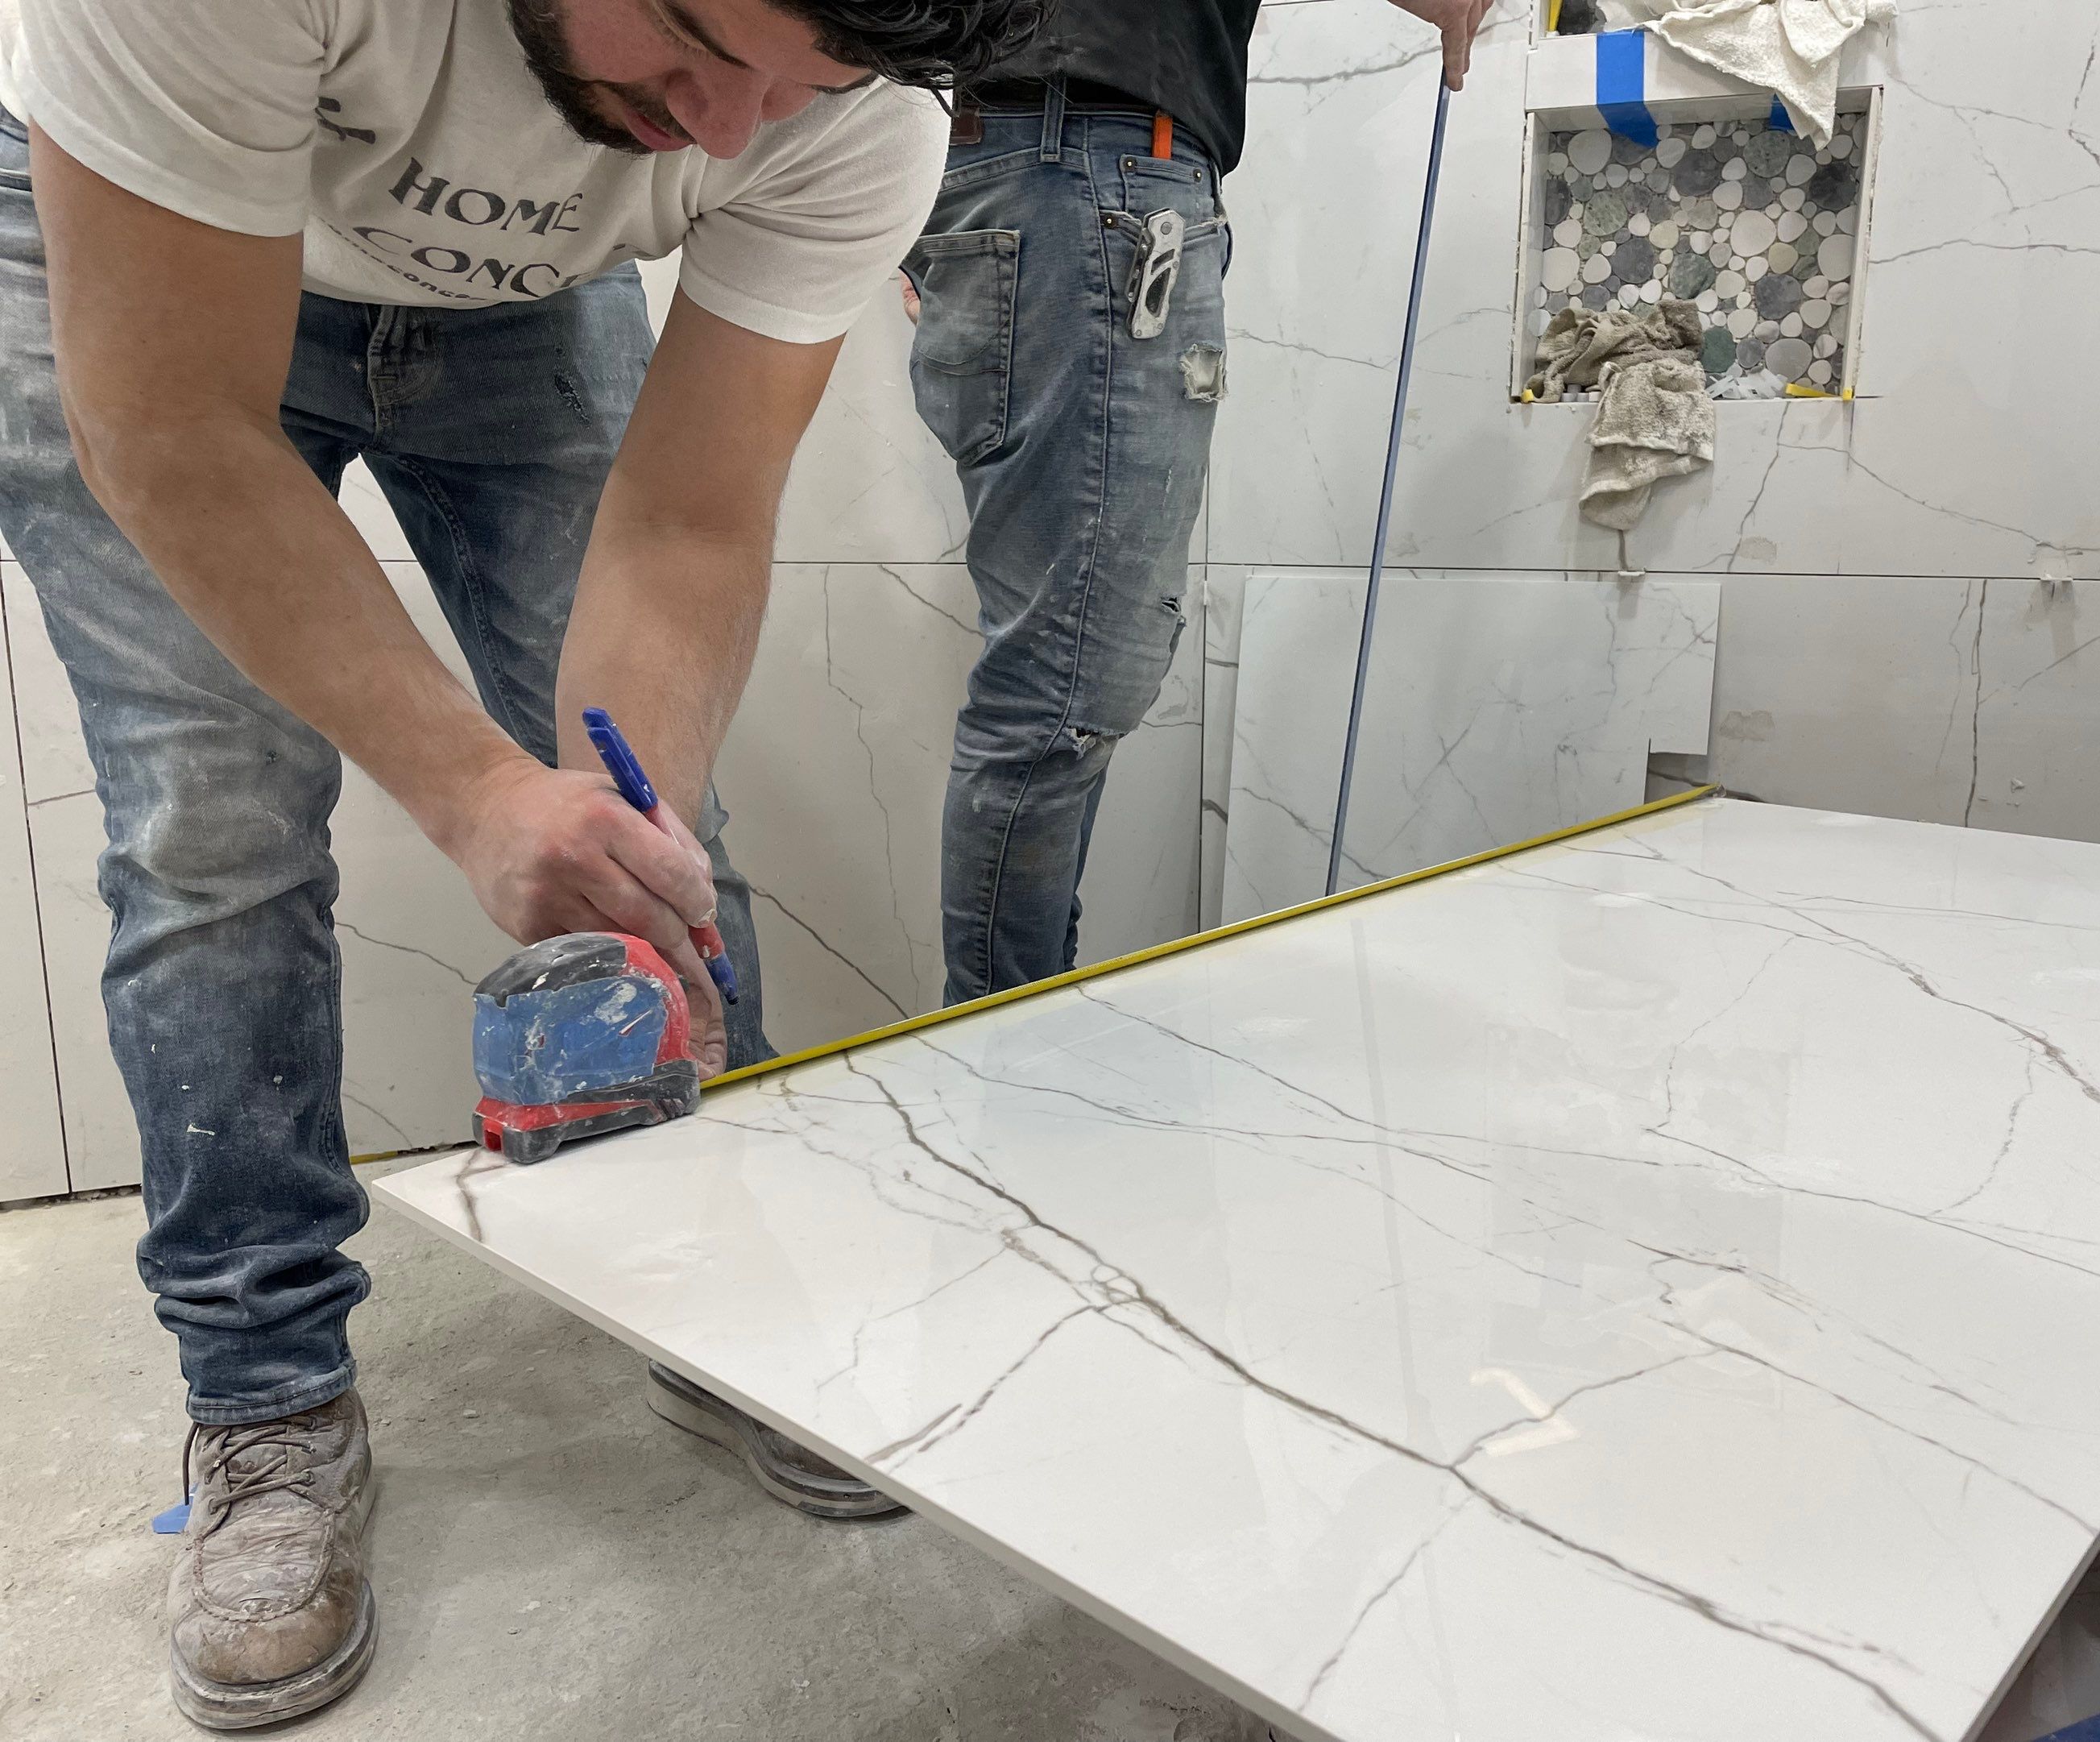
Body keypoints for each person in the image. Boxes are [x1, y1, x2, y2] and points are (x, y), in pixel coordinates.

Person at [0, 0, 1033, 1725]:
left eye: (805, 85)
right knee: (213, 824)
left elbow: (694, 519)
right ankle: (264, 1396)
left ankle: (708, 1299)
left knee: (648, 838)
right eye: (708, 40)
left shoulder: (846, 114)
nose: (730, 131)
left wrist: (601, 818)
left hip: (519, 307)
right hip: (135, 226)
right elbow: (177, 431)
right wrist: (475, 794)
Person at [904, 0, 1492, 1007]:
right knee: (1060, 696)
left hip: (1047, 169)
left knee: (1067, 687)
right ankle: (1007, 1064)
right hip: (1090, 175)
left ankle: (1020, 1036)